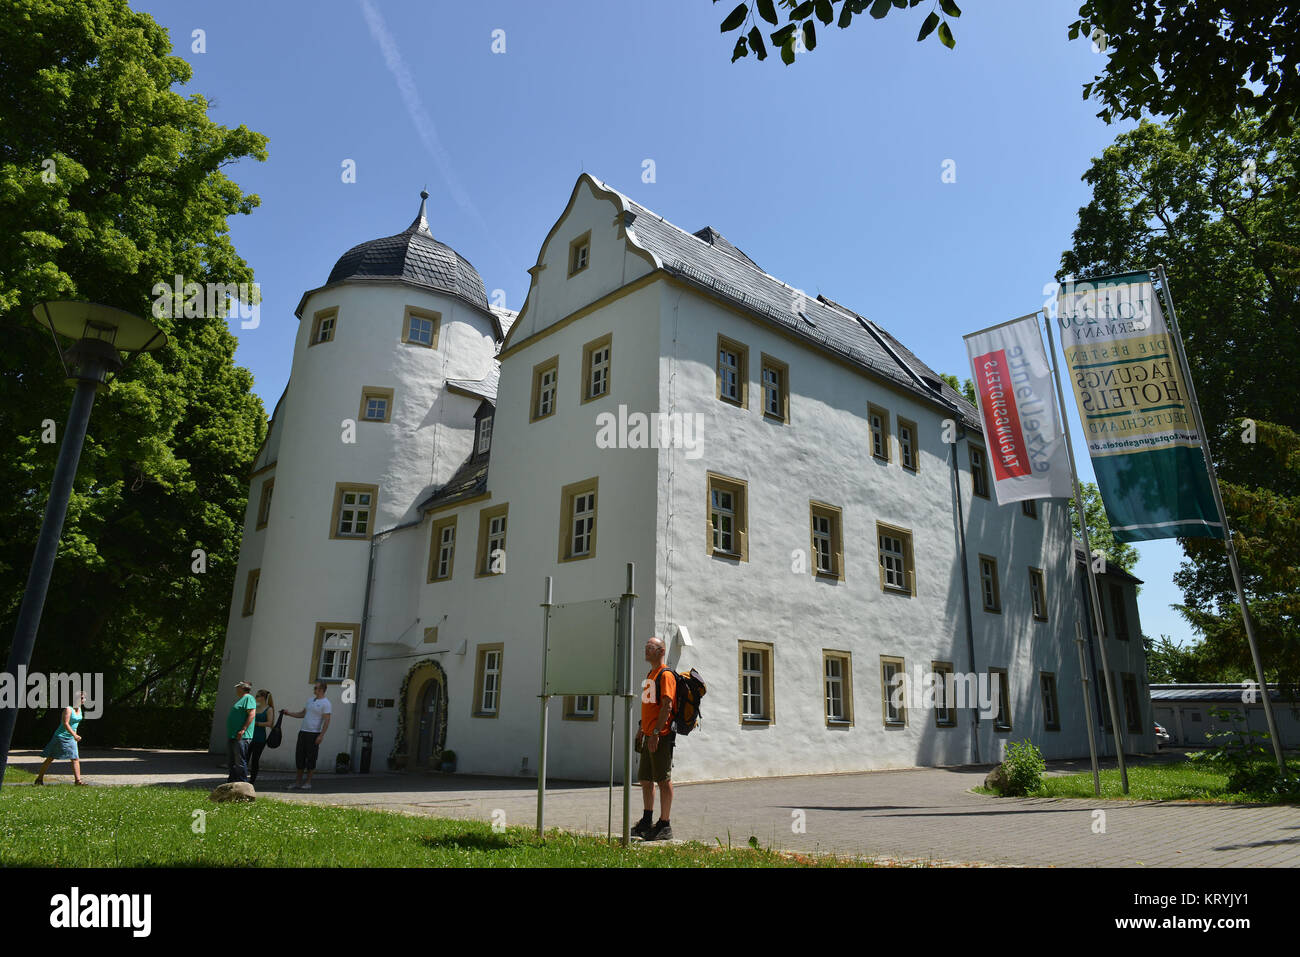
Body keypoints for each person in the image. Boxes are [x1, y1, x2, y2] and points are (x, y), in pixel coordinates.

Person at [633, 636, 675, 841]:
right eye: (646, 646)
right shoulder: (651, 673)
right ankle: (647, 820)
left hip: (661, 736)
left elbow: (667, 705)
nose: (646, 650)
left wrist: (657, 733)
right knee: (645, 779)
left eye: (650, 647)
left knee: (662, 779)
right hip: (649, 734)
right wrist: (642, 729)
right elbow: (649, 705)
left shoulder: (666, 675)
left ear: (661, 651)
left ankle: (665, 824)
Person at [282, 682, 332, 791]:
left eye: (316, 688)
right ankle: (297, 782)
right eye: (314, 687)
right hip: (303, 732)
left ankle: (308, 782)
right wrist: (289, 713)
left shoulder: (326, 703)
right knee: (299, 757)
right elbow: (303, 714)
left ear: (322, 689)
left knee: (311, 758)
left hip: (314, 734)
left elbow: (327, 720)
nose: (314, 689)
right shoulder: (310, 700)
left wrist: (321, 735)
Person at [33, 691, 88, 786]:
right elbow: (65, 723)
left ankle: (78, 781)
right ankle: (39, 779)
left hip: (71, 738)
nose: (84, 700)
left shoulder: (79, 709)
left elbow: (75, 724)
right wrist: (75, 735)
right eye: (82, 698)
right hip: (61, 737)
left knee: (75, 758)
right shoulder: (68, 709)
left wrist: (74, 735)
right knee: (50, 758)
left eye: (84, 698)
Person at [226, 680, 257, 783]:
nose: (236, 689)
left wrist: (243, 729)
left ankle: (243, 785)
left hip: (242, 736)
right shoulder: (241, 699)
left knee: (239, 762)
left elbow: (252, 714)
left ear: (242, 688)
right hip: (233, 735)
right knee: (232, 762)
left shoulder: (248, 698)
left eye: (237, 687)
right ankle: (231, 783)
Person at [248, 689, 275, 785]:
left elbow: (269, 723)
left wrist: (257, 724)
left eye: (257, 696)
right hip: (250, 736)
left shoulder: (269, 709)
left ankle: (252, 781)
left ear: (263, 697)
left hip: (260, 738)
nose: (255, 698)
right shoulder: (255, 707)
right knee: (245, 758)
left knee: (255, 760)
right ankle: (242, 778)